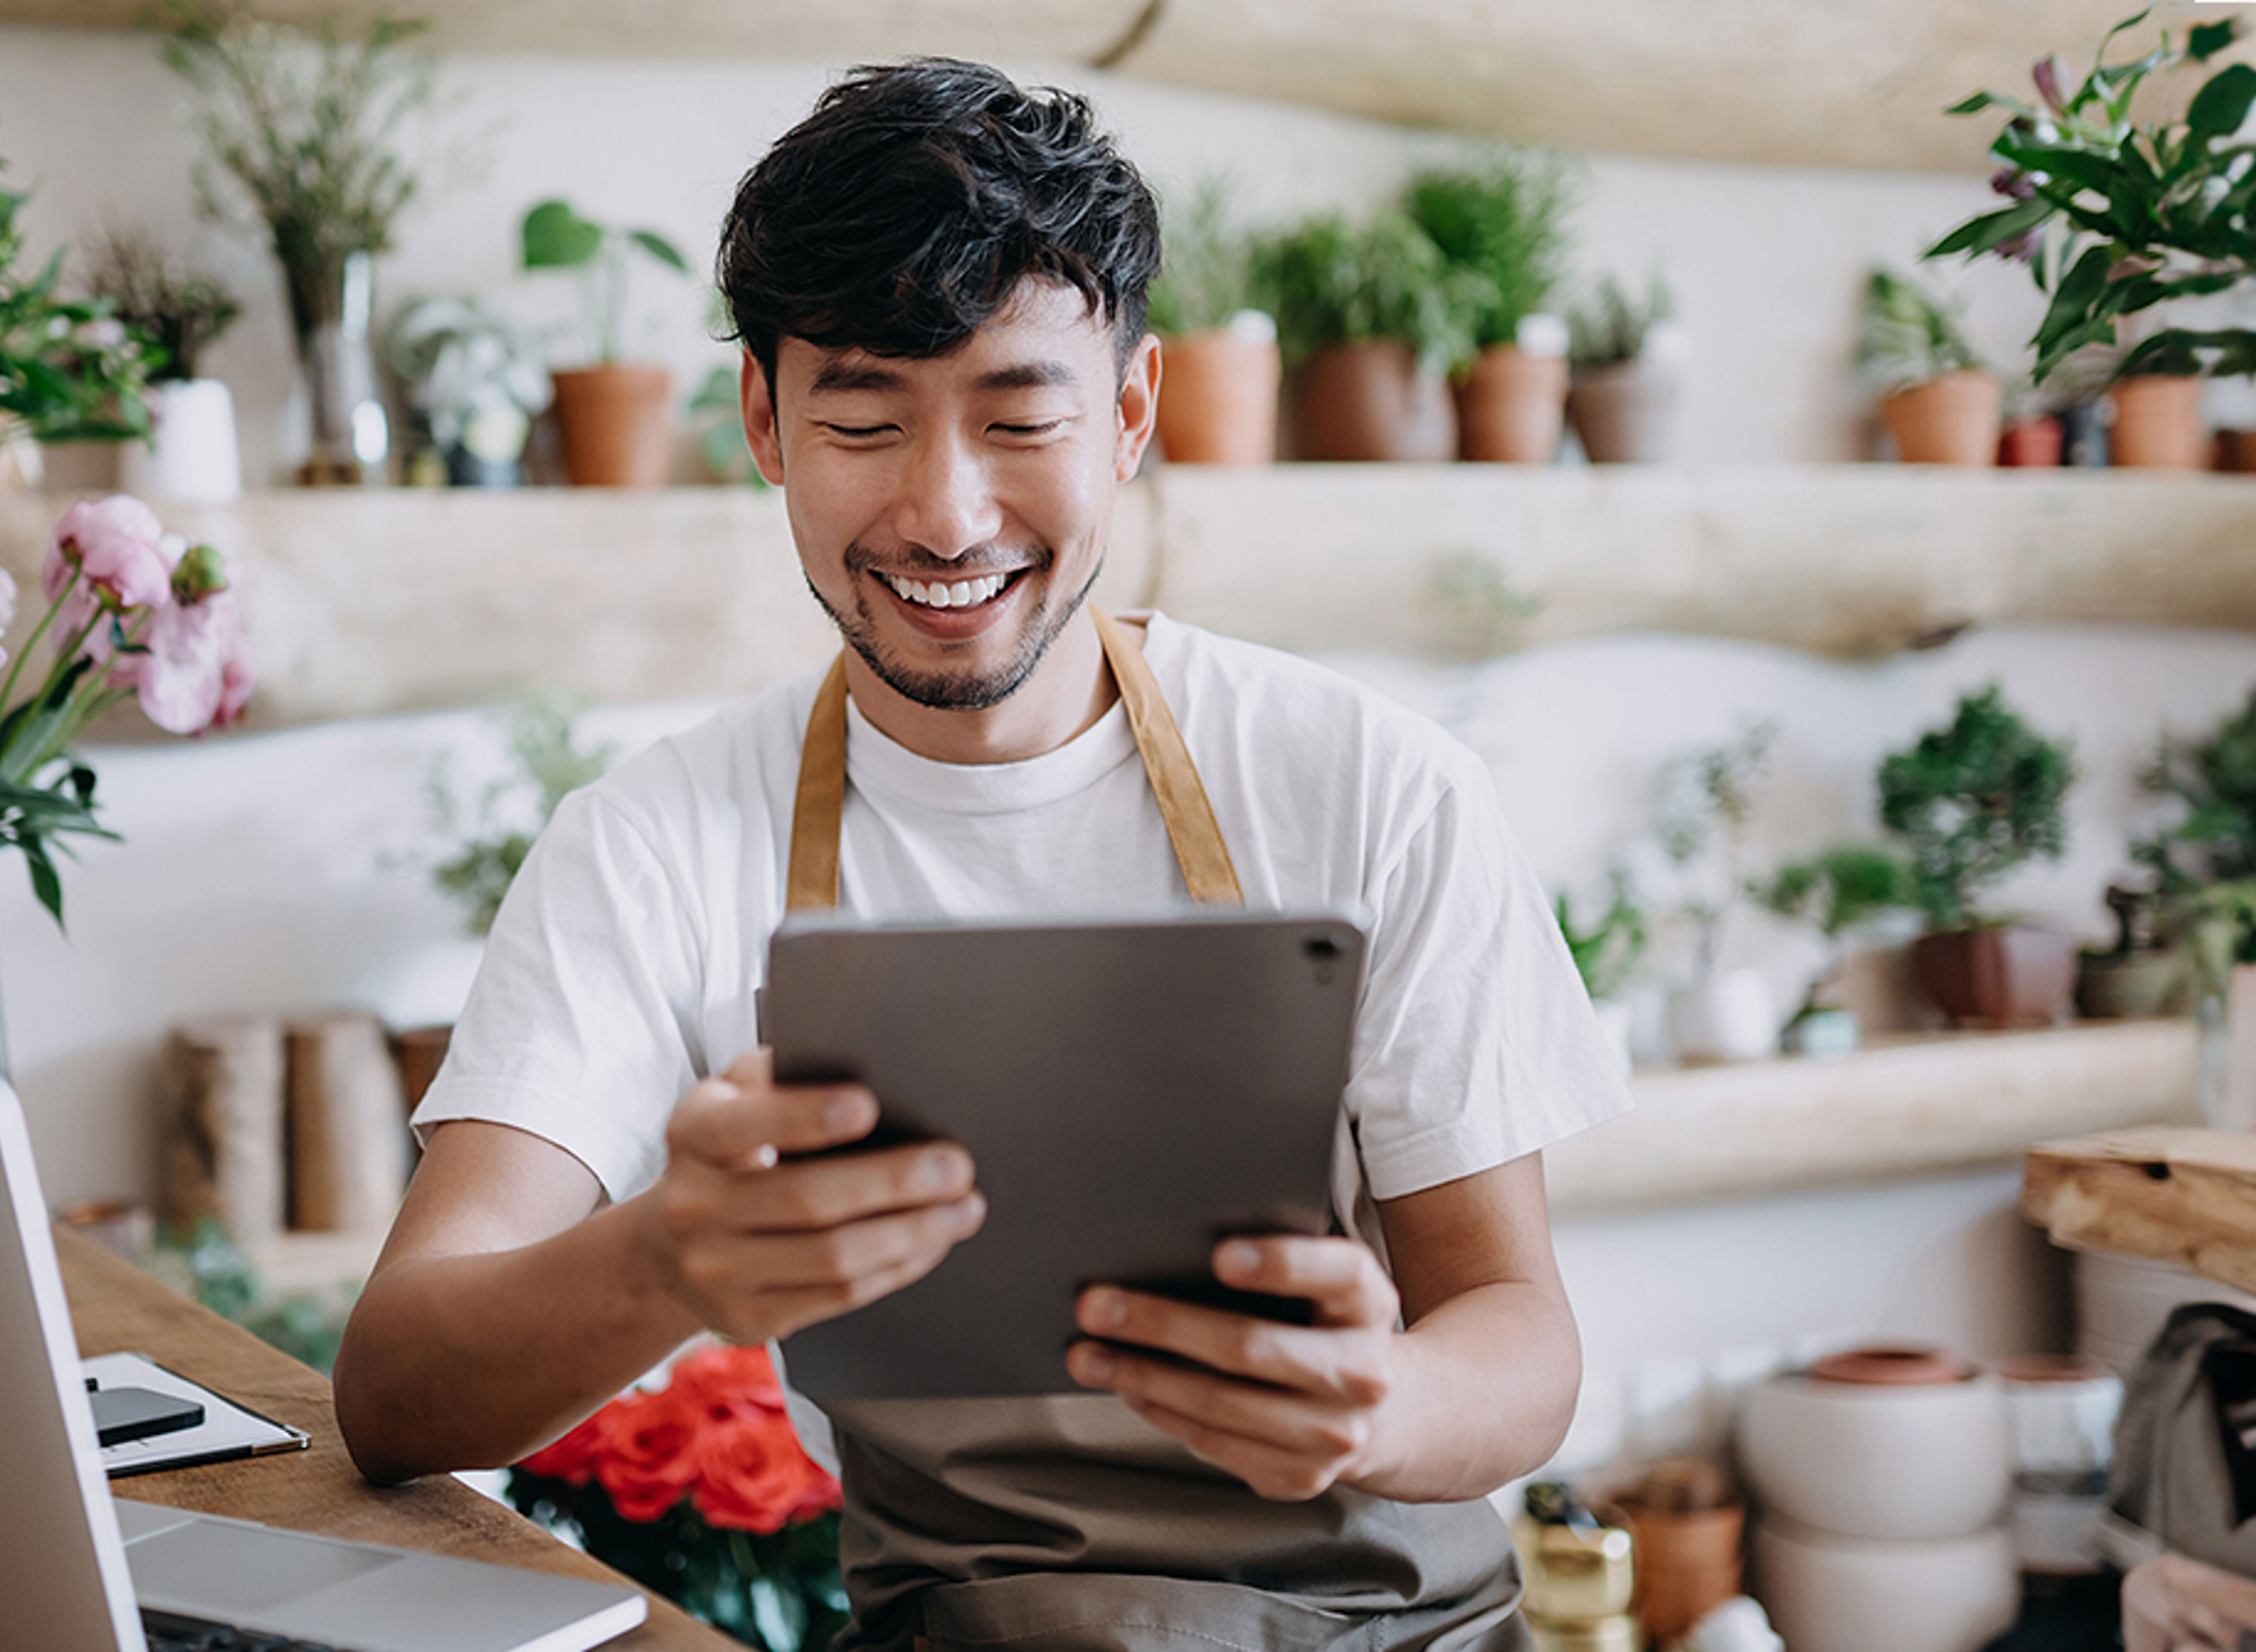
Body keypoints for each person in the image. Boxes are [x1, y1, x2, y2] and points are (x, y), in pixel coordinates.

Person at [334, 57, 1631, 1650]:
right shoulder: (651, 846)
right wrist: (667, 1254)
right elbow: (394, 1388)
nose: (944, 517)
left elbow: (1519, 1337)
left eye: (1021, 417)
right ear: (760, 419)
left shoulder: (1369, 785)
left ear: (1132, 413)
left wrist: (1378, 1403)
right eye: (863, 421)